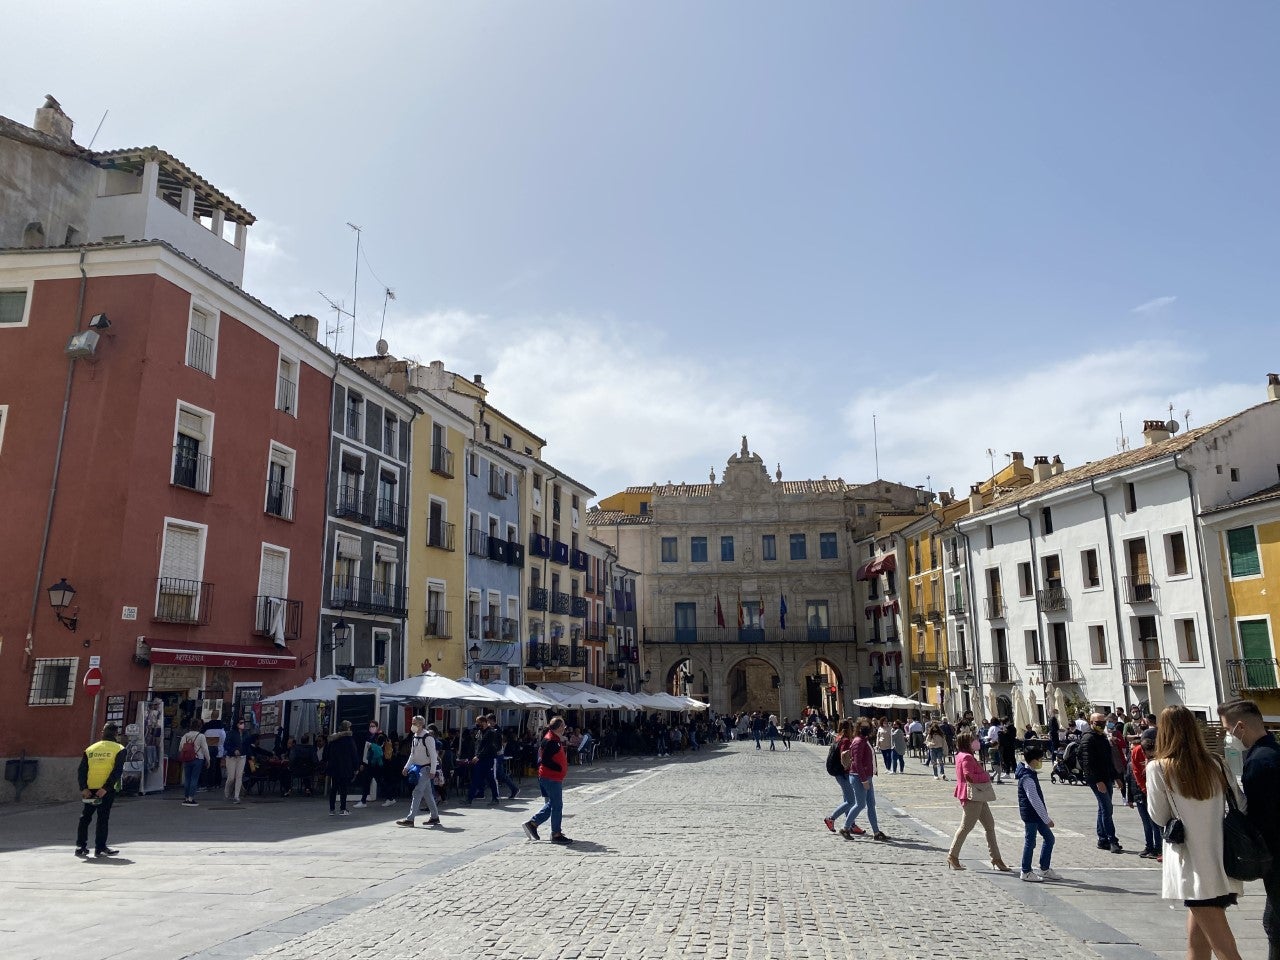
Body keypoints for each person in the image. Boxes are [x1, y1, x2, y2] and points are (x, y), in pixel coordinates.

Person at [1148, 705, 1247, 960]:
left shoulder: (1159, 768)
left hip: (1191, 866)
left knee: (1225, 949)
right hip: (1223, 862)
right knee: (1197, 943)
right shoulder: (1217, 764)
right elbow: (1241, 804)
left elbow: (1158, 816)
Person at [1219, 698, 1280, 960]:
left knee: (1275, 925)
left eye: (1227, 729)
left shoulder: (1259, 762)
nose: (1228, 735)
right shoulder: (1273, 752)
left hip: (1275, 855)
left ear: (1241, 726)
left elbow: (1261, 816)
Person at [947, 729, 1009, 872]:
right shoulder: (967, 757)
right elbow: (969, 776)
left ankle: (996, 858)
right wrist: (986, 776)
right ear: (966, 743)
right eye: (972, 740)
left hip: (977, 795)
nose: (976, 742)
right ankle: (952, 855)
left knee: (989, 825)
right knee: (966, 827)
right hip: (972, 795)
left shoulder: (961, 755)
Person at [76, 723, 125, 858]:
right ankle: (100, 847)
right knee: (103, 818)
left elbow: (82, 770)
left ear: (102, 733)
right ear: (116, 734)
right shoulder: (119, 749)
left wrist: (83, 788)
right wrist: (105, 788)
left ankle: (80, 846)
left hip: (90, 789)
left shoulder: (90, 749)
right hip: (106, 791)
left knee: (85, 817)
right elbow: (117, 771)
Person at [523, 716, 572, 844]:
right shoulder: (551, 741)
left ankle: (533, 824)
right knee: (557, 805)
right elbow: (545, 760)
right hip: (551, 777)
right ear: (559, 727)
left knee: (552, 804)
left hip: (550, 777)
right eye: (563, 726)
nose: (565, 728)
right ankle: (555, 833)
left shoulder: (552, 738)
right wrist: (559, 768)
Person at [1016, 744, 1059, 882]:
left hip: (1036, 814)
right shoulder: (1027, 777)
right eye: (1040, 759)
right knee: (1030, 842)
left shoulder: (1030, 773)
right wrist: (1046, 819)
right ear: (1034, 760)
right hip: (1031, 815)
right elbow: (1034, 800)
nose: (1041, 761)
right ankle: (1026, 871)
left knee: (1049, 839)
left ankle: (1044, 868)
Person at [1081, 711, 1123, 853]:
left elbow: (1109, 760)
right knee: (1107, 808)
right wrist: (1098, 781)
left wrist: (1116, 777)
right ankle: (1112, 840)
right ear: (1091, 723)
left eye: (1103, 722)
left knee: (1103, 808)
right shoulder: (1088, 738)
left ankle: (1102, 839)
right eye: (1098, 723)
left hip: (1106, 777)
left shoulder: (1102, 737)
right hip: (1096, 779)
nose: (1101, 725)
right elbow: (1087, 763)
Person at [844, 720, 888, 841]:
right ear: (858, 727)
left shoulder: (865, 740)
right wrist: (864, 780)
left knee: (871, 804)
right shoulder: (858, 741)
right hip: (859, 777)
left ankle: (876, 832)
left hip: (867, 776)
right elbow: (857, 762)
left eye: (868, 726)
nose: (867, 728)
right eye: (864, 726)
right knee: (860, 804)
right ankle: (845, 828)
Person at [396, 716, 441, 827]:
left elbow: (433, 755)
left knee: (417, 792)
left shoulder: (428, 737)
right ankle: (435, 817)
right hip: (418, 767)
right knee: (428, 794)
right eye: (412, 723)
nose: (412, 725)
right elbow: (412, 754)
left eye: (414, 723)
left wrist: (433, 770)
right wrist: (406, 767)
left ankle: (410, 819)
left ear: (421, 724)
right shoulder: (415, 736)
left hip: (425, 768)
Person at [1129, 727, 1162, 861]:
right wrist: (1144, 789)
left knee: (1157, 821)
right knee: (1146, 822)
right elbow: (1136, 772)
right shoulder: (1137, 751)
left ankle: (1158, 847)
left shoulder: (1162, 751)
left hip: (1156, 791)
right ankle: (1149, 846)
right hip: (1142, 791)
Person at [823, 719, 858, 835]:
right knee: (851, 801)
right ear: (849, 728)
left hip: (839, 772)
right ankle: (831, 818)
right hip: (844, 773)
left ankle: (851, 824)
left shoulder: (838, 737)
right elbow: (844, 755)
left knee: (847, 799)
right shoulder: (846, 740)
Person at [325, 720, 360, 816]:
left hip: (334, 767)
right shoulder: (349, 740)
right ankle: (343, 809)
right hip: (345, 767)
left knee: (334, 788)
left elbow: (327, 754)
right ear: (347, 728)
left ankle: (332, 809)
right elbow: (354, 754)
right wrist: (356, 767)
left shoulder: (333, 739)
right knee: (343, 789)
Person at [468, 715, 502, 805]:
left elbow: (488, 747)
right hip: (480, 759)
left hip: (488, 759)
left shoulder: (491, 732)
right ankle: (469, 799)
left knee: (491, 779)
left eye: (478, 723)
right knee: (475, 778)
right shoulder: (481, 732)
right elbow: (478, 745)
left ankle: (495, 798)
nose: (477, 724)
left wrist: (478, 756)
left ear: (484, 722)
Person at [177, 719, 210, 806]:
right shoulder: (201, 736)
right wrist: (208, 760)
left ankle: (186, 798)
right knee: (194, 778)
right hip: (198, 759)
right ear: (199, 726)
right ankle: (191, 798)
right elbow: (205, 749)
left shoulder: (185, 736)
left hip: (187, 759)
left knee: (187, 778)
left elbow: (180, 748)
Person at [222, 718, 250, 803]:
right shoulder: (231, 733)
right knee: (231, 777)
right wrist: (233, 750)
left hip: (242, 757)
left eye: (244, 723)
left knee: (239, 776)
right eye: (241, 723)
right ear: (237, 724)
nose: (243, 724)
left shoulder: (246, 733)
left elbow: (247, 745)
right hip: (231, 757)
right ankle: (227, 793)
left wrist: (249, 754)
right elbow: (226, 744)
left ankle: (236, 796)